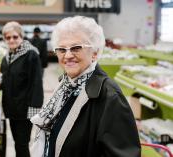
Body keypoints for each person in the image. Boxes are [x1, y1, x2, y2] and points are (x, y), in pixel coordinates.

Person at [30, 16, 141, 157]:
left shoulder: (109, 97)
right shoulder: (66, 86)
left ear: (94, 53)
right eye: (62, 49)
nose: (68, 55)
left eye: (76, 48)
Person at [0, 21, 44, 157]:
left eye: (15, 37)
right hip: (12, 108)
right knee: (17, 142)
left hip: (24, 110)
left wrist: (33, 112)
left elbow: (36, 84)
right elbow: (5, 78)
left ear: (21, 37)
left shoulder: (31, 55)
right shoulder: (7, 57)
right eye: (8, 37)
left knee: (22, 143)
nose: (12, 40)